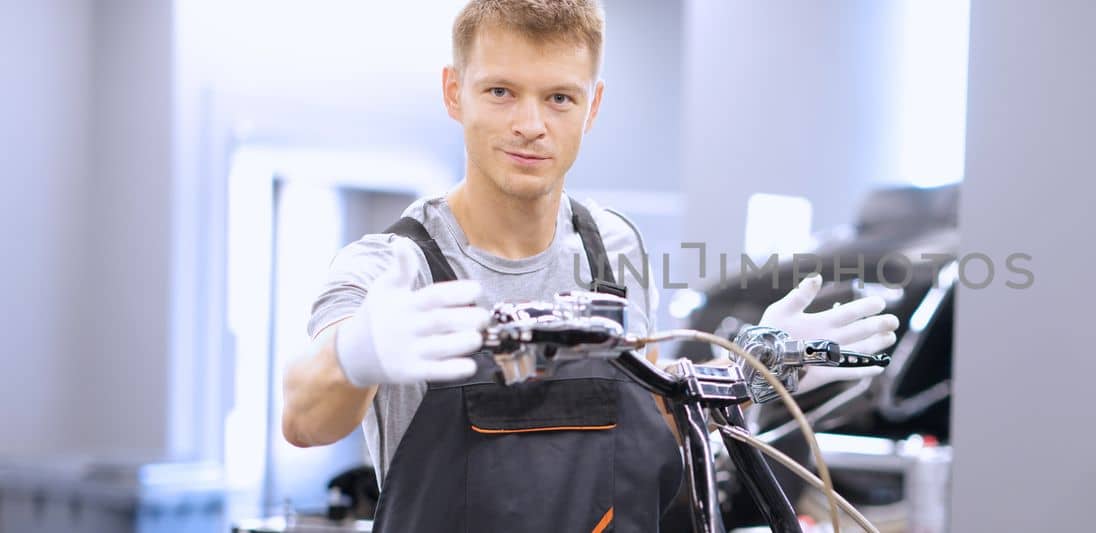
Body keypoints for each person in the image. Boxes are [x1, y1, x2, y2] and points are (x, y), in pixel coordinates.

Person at [279, 1, 900, 530]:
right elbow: (303, 419)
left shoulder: (614, 248)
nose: (530, 125)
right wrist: (353, 356)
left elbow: (649, 422)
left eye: (559, 98)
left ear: (592, 105)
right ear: (453, 92)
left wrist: (750, 375)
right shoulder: (397, 266)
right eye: (501, 91)